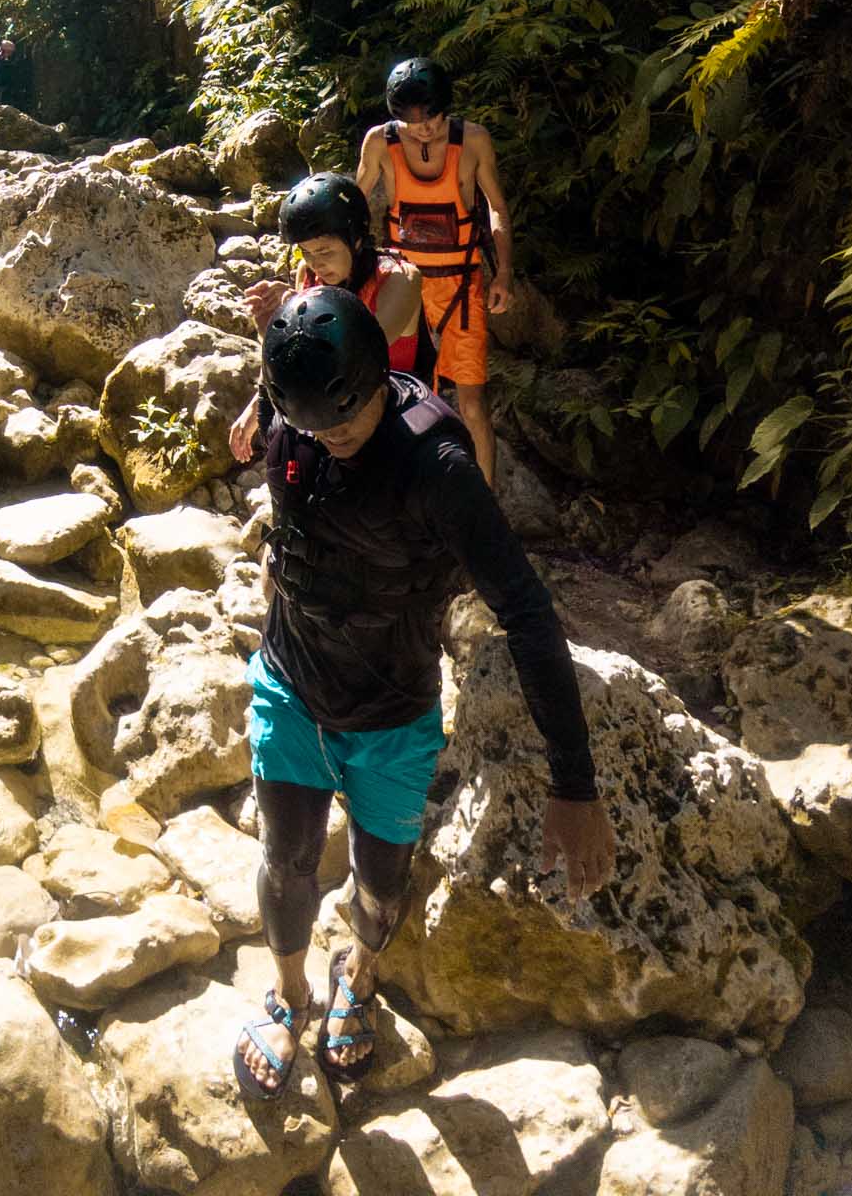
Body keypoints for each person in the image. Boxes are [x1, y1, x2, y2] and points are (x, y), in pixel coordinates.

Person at [229, 284, 614, 1101]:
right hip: (292, 685)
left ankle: (360, 977)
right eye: (311, 428)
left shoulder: (438, 471)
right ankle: (290, 995)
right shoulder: (293, 412)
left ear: (378, 378)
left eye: (343, 424)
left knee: (380, 883)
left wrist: (574, 783)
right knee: (286, 861)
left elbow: (527, 613)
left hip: (391, 714)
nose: (329, 441)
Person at [356, 57, 513, 487]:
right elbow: (352, 205)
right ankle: (404, 495)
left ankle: (484, 502)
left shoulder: (473, 140)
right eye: (412, 123)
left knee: (473, 404)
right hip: (402, 286)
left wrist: (504, 273)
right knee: (399, 394)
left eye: (432, 119)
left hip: (462, 284)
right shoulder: (379, 143)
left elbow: (497, 209)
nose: (424, 129)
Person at [231, 174, 426, 468]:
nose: (316, 263)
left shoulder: (399, 280)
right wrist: (271, 332)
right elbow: (299, 363)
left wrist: (294, 315)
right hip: (330, 415)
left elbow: (360, 356)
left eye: (325, 251)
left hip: (394, 416)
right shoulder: (308, 275)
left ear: (356, 240)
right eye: (306, 251)